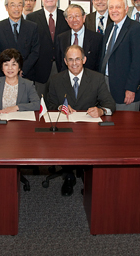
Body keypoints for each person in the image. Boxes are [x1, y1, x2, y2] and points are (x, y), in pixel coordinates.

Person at [47, 45, 116, 196]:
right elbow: (49, 105)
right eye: (70, 60)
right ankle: (69, 177)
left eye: (77, 59)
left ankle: (89, 177)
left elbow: (110, 104)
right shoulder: (56, 79)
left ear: (84, 60)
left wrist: (101, 110)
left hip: (89, 131)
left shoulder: (97, 78)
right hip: (64, 131)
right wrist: (59, 107)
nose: (74, 63)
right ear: (65, 61)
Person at [99, 0, 140, 110]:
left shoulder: (136, 29)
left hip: (125, 88)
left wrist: (131, 88)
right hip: (106, 84)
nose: (114, 10)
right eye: (111, 7)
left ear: (126, 9)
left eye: (118, 7)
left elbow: (139, 63)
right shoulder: (109, 28)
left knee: (125, 125)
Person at [27, 0, 69, 95]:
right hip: (40, 68)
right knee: (40, 103)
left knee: (59, 100)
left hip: (61, 67)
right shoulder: (32, 18)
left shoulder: (66, 16)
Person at [0, 0, 40, 81]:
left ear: (23, 7)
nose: (16, 9)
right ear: (6, 7)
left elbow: (35, 51)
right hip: (4, 75)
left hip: (26, 74)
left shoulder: (32, 27)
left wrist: (22, 69)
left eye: (19, 5)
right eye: (13, 5)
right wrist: (10, 69)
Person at [0, 48, 39, 114]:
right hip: (0, 120)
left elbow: (37, 104)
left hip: (20, 121)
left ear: (19, 68)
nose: (10, 68)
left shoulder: (28, 84)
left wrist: (16, 107)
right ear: (2, 68)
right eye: (6, 64)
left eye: (14, 64)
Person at [55, 4, 102, 72]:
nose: (74, 20)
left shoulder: (97, 38)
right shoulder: (61, 38)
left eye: (77, 16)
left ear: (84, 17)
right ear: (66, 20)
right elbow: (59, 64)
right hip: (67, 79)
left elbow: (98, 64)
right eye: (70, 17)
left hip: (90, 79)